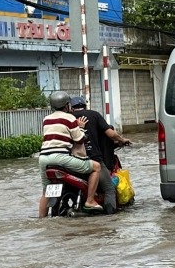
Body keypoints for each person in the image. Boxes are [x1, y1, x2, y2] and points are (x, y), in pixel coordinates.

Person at [38, 90, 102, 218]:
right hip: (61, 157)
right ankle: (90, 201)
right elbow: (79, 139)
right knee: (96, 167)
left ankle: (41, 219)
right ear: (67, 105)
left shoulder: (46, 119)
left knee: (46, 191)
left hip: (43, 159)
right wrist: (81, 127)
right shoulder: (70, 118)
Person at [68, 95, 132, 214]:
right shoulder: (94, 115)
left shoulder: (67, 118)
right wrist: (122, 140)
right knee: (109, 189)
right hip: (93, 160)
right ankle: (111, 218)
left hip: (69, 161)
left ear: (71, 107)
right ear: (85, 105)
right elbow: (111, 135)